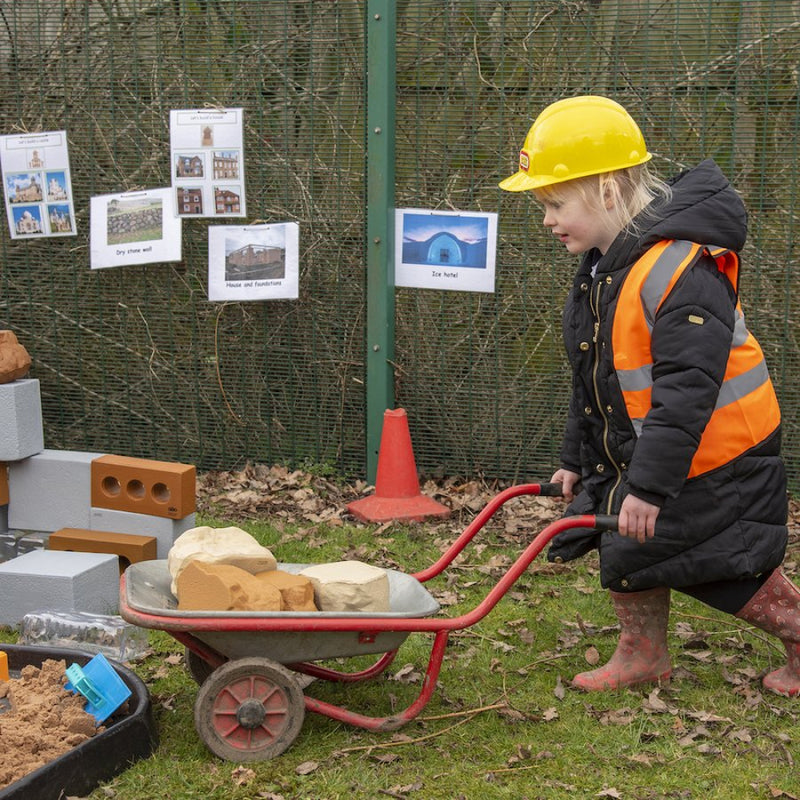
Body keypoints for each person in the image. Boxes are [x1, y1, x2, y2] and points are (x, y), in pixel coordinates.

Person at [499, 95, 800, 695]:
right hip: (656, 449)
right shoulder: (602, 267)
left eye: (556, 203)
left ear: (608, 190)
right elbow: (594, 378)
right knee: (626, 544)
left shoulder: (681, 269)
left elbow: (687, 392)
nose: (546, 218)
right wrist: (573, 457)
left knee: (726, 564)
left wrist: (651, 487)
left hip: (717, 455)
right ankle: (643, 654)